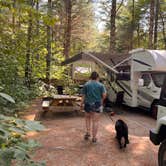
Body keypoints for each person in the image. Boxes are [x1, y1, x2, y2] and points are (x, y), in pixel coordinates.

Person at [81, 71, 106, 143]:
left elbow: (83, 96)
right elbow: (104, 95)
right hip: (97, 104)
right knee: (95, 121)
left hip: (88, 104)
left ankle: (88, 132)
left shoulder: (86, 85)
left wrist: (81, 104)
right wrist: (101, 100)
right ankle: (94, 138)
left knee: (87, 118)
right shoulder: (101, 85)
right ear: (97, 77)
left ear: (90, 77)